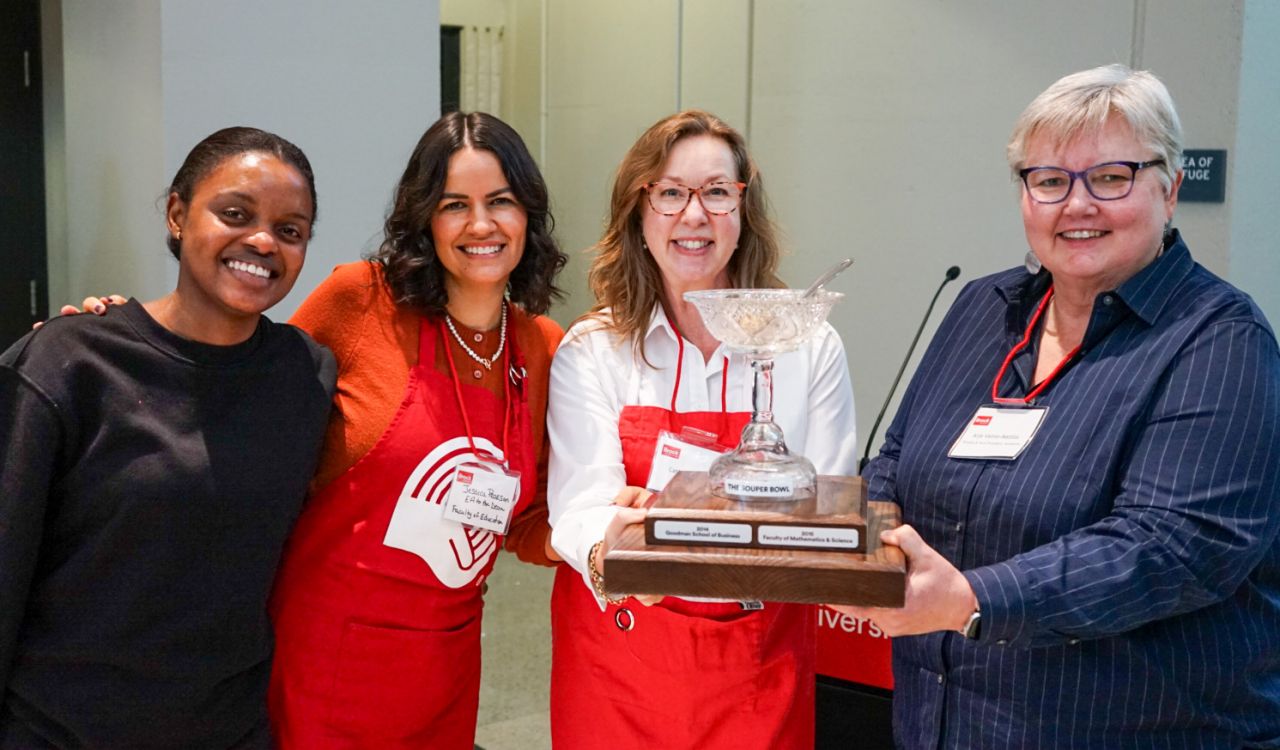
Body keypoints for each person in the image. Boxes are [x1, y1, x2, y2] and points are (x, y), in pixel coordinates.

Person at [841, 64, 1280, 747]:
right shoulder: (982, 308)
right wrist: (875, 544)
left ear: (1171, 189)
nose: (1076, 205)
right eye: (1049, 180)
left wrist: (972, 600)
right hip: (943, 725)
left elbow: (1172, 547)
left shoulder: (1220, 341)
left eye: (1110, 177)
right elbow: (898, 459)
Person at [0, 127, 334, 748]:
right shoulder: (70, 361)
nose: (262, 241)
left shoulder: (306, 373)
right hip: (60, 730)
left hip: (229, 729)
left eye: (291, 230)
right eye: (235, 213)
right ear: (178, 214)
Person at [545, 110, 858, 749]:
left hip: (759, 661)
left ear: (743, 210)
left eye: (717, 191)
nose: (694, 215)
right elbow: (578, 511)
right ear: (639, 211)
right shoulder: (594, 350)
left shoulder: (809, 346)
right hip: (622, 653)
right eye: (669, 192)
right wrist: (615, 550)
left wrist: (659, 525)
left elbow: (827, 504)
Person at [266, 111, 567, 748]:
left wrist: (604, 535)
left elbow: (525, 519)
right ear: (425, 219)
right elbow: (247, 395)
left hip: (446, 663)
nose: (481, 225)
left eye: (501, 202)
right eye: (455, 204)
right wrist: (130, 342)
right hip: (328, 654)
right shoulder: (361, 301)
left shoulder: (542, 348)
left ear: (527, 217)